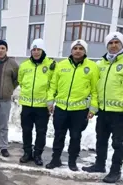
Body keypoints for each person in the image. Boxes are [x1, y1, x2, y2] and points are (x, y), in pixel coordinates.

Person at [45, 39, 99, 171]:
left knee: (75, 137)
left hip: (79, 111)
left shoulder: (92, 67)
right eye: (75, 48)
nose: (78, 51)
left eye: (81, 48)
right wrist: (50, 101)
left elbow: (95, 90)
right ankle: (55, 159)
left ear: (85, 51)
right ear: (71, 51)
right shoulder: (61, 65)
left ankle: (72, 161)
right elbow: (53, 86)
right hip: (61, 109)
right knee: (59, 135)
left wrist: (93, 108)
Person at [82, 32, 123, 183]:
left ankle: (115, 171)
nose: (113, 45)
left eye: (116, 42)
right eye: (110, 43)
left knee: (118, 143)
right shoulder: (101, 64)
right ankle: (100, 164)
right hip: (103, 111)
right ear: (106, 45)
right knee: (101, 140)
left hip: (120, 113)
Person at [18, 38, 55, 165]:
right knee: (26, 130)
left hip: (42, 106)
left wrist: (49, 100)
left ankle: (38, 154)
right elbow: (21, 81)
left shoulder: (50, 65)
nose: (36, 52)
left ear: (43, 50)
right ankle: (27, 153)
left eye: (38, 49)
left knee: (41, 131)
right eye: (33, 49)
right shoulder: (24, 65)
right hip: (27, 105)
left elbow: (53, 85)